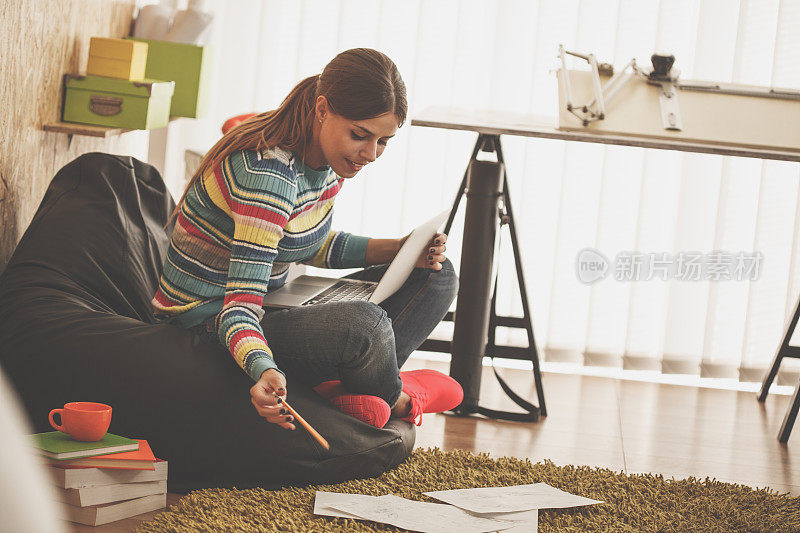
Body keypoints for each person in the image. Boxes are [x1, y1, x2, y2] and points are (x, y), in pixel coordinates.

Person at [151, 48, 462, 431]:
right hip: (211, 328)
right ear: (322, 109)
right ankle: (399, 397)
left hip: (269, 307)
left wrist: (401, 250)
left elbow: (311, 244)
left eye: (384, 141)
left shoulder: (327, 158)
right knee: (364, 326)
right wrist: (263, 368)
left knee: (438, 274)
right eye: (361, 135)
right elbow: (240, 306)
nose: (371, 154)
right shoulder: (269, 177)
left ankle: (353, 389)